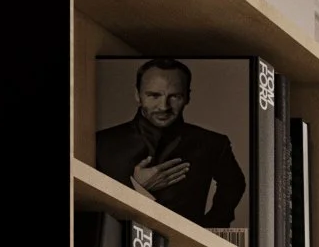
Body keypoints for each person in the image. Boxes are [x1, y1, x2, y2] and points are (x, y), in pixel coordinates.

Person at [95, 58, 246, 232]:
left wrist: (211, 229)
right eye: (154, 95)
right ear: (137, 95)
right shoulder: (102, 142)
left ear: (187, 97)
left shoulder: (213, 143)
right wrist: (136, 187)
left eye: (174, 96)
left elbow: (234, 184)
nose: (164, 106)